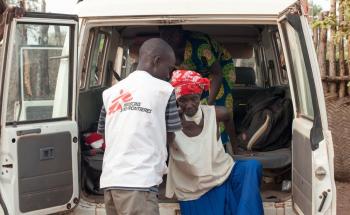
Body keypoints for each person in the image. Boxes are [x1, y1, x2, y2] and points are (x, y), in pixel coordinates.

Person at [97, 38, 182, 215]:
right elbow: (170, 137)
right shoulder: (164, 90)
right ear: (156, 61)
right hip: (140, 184)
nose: (169, 75)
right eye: (169, 68)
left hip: (110, 183)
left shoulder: (111, 93)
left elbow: (105, 135)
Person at [166, 69, 263, 215]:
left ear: (200, 95)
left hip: (221, 173)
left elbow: (228, 118)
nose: (189, 105)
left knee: (251, 166)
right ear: (176, 100)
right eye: (183, 100)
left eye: (194, 98)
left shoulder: (217, 113)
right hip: (192, 185)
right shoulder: (169, 121)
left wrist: (236, 150)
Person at [159, 25, 235, 145]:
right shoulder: (162, 49)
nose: (169, 38)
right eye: (164, 34)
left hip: (218, 70)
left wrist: (208, 104)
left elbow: (217, 74)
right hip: (192, 72)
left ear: (181, 32)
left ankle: (221, 143)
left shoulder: (200, 45)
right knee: (188, 102)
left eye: (172, 34)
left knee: (217, 103)